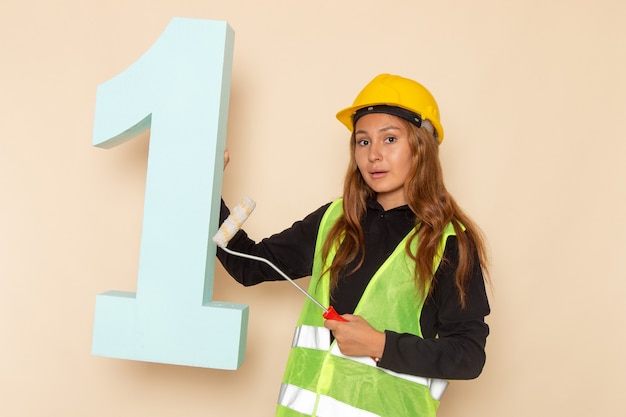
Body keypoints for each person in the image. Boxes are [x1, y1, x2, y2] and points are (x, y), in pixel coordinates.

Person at [217, 73, 490, 417]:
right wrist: (207, 184)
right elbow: (246, 264)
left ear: (421, 148)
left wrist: (381, 344)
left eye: (390, 139)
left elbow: (468, 355)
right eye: (363, 142)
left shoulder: (449, 242)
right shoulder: (334, 220)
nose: (374, 154)